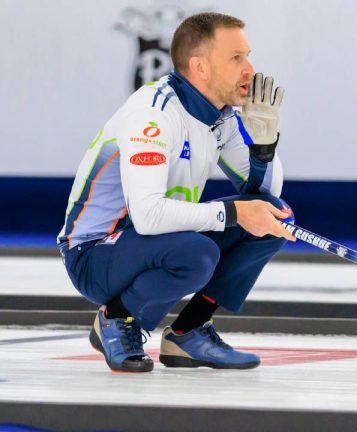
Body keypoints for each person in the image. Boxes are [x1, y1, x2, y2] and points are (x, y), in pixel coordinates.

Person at [57, 12, 296, 373]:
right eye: (236, 58)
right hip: (95, 254)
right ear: (200, 67)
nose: (250, 69)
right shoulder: (153, 115)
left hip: (157, 238)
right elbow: (149, 215)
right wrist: (233, 214)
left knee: (274, 214)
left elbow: (262, 200)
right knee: (197, 253)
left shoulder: (222, 117)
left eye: (248, 56)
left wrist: (263, 150)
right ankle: (115, 318)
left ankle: (188, 332)